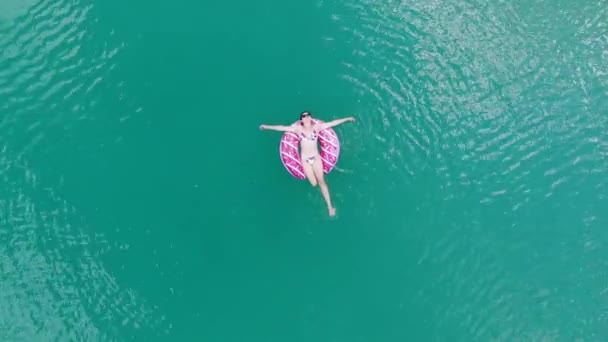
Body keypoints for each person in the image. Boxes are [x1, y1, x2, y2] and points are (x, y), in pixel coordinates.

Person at [259, 111, 355, 216]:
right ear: (302, 120)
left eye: (308, 115)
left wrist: (347, 119)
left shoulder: (317, 127)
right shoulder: (297, 129)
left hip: (316, 158)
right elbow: (281, 128)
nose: (306, 117)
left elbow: (332, 123)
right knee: (314, 184)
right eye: (304, 116)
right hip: (305, 160)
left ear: (310, 118)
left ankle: (330, 207)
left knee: (321, 181)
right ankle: (318, 188)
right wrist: (266, 127)